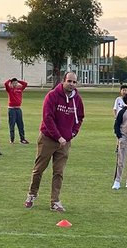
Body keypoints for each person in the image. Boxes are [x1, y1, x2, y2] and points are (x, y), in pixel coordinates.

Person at [25, 71, 84, 213]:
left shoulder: (77, 99)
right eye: (69, 81)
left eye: (74, 82)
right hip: (48, 138)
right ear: (63, 81)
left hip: (65, 142)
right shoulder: (52, 96)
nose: (71, 84)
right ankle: (32, 194)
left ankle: (55, 201)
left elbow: (80, 117)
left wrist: (73, 133)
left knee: (58, 172)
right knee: (39, 169)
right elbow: (47, 118)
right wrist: (58, 137)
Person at [3, 77, 30, 144]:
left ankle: (22, 139)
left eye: (16, 83)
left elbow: (25, 84)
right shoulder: (10, 89)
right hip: (12, 109)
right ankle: (12, 139)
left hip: (18, 109)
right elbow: (5, 84)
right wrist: (10, 80)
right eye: (13, 83)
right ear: (11, 84)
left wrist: (18, 81)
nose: (15, 84)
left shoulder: (20, 89)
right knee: (12, 125)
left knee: (20, 125)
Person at [112, 84, 127, 178]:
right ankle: (118, 146)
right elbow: (115, 109)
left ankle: (125, 145)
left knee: (125, 133)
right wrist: (115, 116)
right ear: (120, 91)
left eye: (126, 90)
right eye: (123, 90)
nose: (124, 91)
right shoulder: (118, 99)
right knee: (118, 133)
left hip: (126, 120)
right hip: (118, 120)